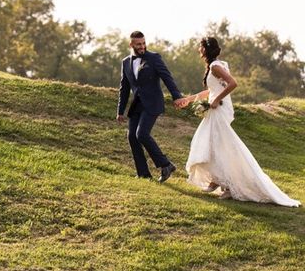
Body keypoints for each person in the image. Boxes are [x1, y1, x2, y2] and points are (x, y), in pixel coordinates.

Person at [178, 37, 300, 207]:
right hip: (219, 108)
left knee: (215, 143)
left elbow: (232, 84)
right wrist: (190, 99)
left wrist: (215, 100)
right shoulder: (217, 65)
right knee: (212, 143)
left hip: (219, 109)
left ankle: (226, 184)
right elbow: (212, 89)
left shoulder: (215, 66)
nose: (199, 50)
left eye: (200, 47)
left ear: (205, 50)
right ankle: (217, 180)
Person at [117, 31, 184, 182]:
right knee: (132, 137)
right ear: (131, 44)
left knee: (141, 134)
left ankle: (166, 165)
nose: (142, 46)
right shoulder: (126, 62)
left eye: (143, 43)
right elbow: (124, 88)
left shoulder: (154, 58)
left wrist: (176, 96)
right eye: (138, 44)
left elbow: (167, 77)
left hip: (153, 103)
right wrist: (120, 111)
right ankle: (143, 173)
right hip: (137, 105)